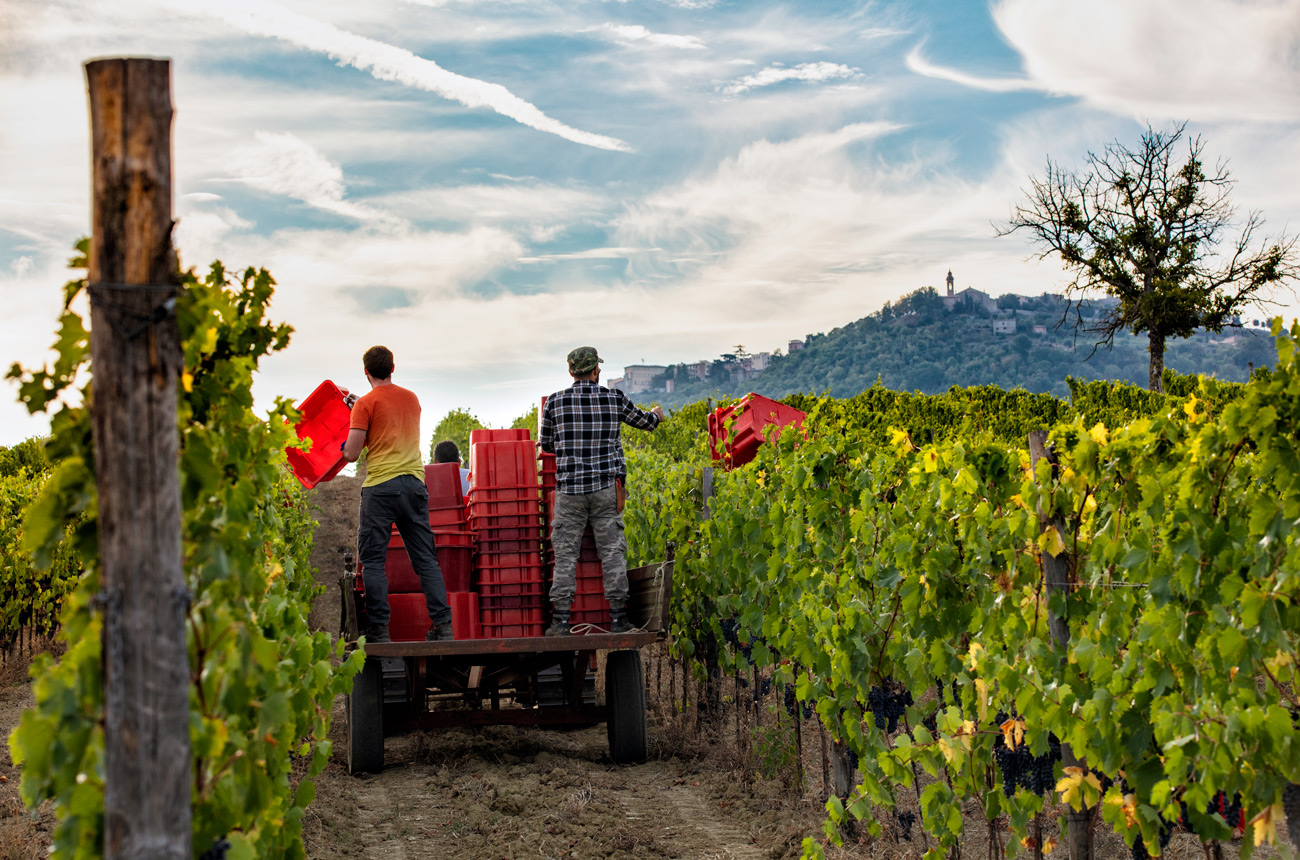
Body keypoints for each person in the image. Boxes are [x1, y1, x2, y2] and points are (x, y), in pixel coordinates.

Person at [539, 346, 664, 635]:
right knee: (612, 552)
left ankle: (560, 622)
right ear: (596, 370)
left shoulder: (555, 402)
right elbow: (646, 423)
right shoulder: (614, 398)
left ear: (571, 372)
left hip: (569, 491)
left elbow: (546, 445)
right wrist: (657, 414)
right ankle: (619, 620)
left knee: (566, 554)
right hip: (606, 489)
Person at [342, 346, 453, 643]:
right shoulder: (411, 398)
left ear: (366, 371)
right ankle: (443, 626)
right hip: (415, 485)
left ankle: (379, 630)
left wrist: (344, 439)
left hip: (381, 487)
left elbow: (352, 454)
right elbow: (389, 423)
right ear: (393, 367)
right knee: (425, 559)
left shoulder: (364, 404)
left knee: (374, 560)